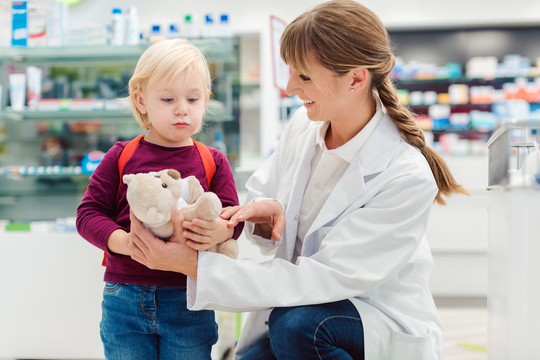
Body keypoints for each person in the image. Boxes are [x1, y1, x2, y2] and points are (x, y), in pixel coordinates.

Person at [128, 1, 469, 359]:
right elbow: (267, 194)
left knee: (298, 327)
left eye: (304, 77)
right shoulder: (304, 127)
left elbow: (324, 278)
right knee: (281, 332)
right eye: (291, 71)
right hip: (293, 312)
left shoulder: (405, 175)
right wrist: (261, 215)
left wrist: (194, 266)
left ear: (355, 78)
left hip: (365, 317)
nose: (290, 87)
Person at [76, 38, 243, 360]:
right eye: (168, 98)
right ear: (141, 101)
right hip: (124, 297)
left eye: (193, 98)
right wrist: (123, 242)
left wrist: (222, 230)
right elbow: (88, 214)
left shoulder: (214, 161)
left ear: (206, 100)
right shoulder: (121, 156)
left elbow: (232, 217)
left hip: (189, 298)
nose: (182, 108)